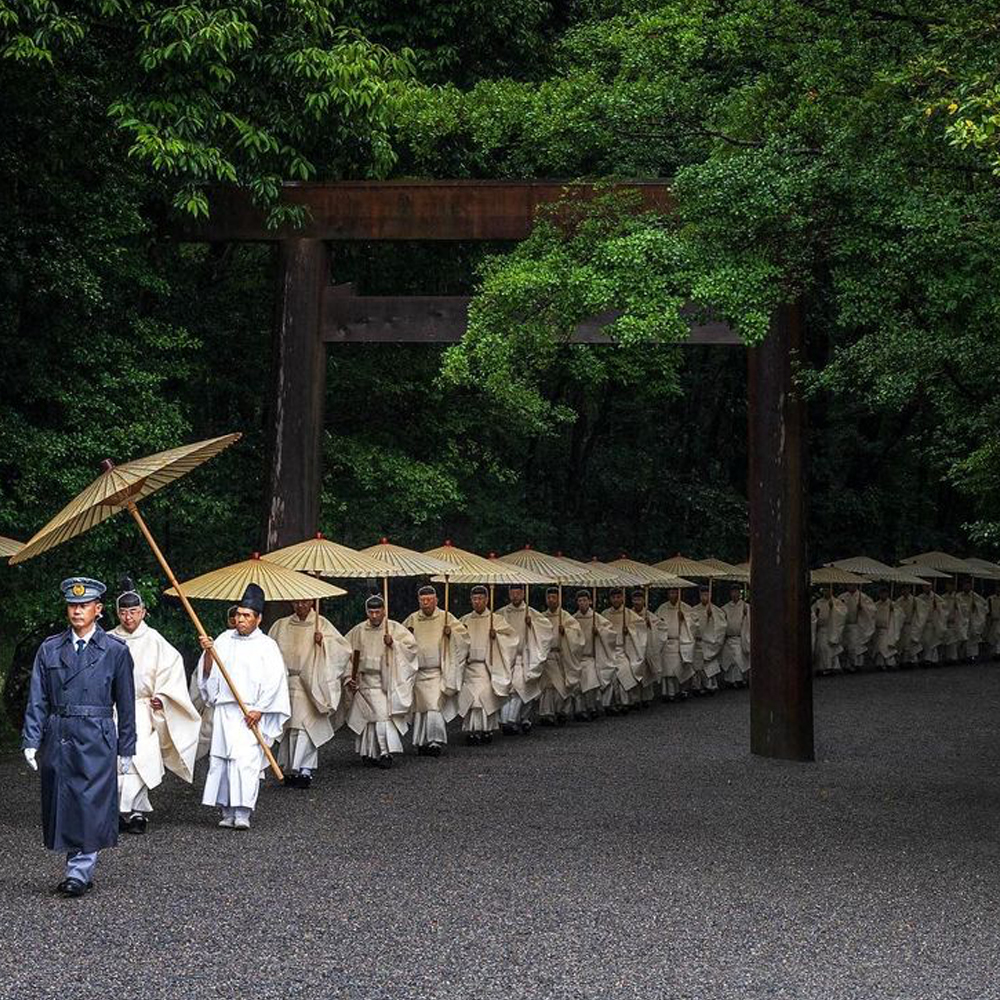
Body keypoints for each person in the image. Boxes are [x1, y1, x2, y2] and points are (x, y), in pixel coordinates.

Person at [21, 577, 136, 897]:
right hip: (60, 734)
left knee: (90, 803)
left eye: (84, 605)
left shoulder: (115, 651)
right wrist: (31, 739)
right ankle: (78, 866)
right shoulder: (49, 648)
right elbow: (37, 698)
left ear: (98, 610)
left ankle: (79, 870)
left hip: (97, 735)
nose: (77, 611)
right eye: (72, 605)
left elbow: (126, 703)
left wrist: (127, 746)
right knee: (65, 801)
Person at [195, 584, 290, 829]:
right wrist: (207, 653)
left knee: (244, 762)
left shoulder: (267, 646)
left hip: (250, 714)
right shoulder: (223, 640)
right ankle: (226, 811)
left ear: (258, 619)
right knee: (223, 761)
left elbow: (275, 680)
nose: (241, 619)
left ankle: (243, 812)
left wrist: (260, 709)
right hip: (226, 710)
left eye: (247, 616)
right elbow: (208, 676)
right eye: (238, 614)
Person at [111, 578, 200, 833]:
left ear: (143, 612)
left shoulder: (155, 640)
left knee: (141, 759)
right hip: (113, 709)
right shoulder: (107, 639)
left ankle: (138, 812)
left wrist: (162, 696)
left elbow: (172, 669)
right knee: (114, 761)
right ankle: (115, 811)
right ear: (117, 613)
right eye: (124, 612)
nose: (128, 618)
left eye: (134, 612)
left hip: (142, 708)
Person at [269, 599, 351, 788]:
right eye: (296, 602)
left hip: (311, 683)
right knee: (289, 727)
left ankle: (305, 769)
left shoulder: (321, 623)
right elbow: (269, 650)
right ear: (291, 604)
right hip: (287, 681)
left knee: (306, 727)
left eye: (304, 602)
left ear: (311, 602)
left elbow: (343, 649)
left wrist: (324, 643)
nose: (300, 606)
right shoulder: (281, 625)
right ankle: (290, 769)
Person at [345, 595, 419, 768]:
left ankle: (385, 752)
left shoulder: (394, 628)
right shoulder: (358, 630)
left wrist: (394, 644)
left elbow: (411, 649)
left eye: (378, 612)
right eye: (371, 612)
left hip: (383, 681)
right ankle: (369, 752)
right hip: (364, 680)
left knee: (382, 717)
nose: (375, 616)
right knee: (366, 719)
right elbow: (346, 653)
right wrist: (350, 677)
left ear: (384, 611)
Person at [402, 585, 469, 756]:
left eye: (429, 600)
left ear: (436, 600)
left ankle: (435, 741)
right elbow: (401, 639)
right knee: (421, 709)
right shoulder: (412, 619)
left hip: (436, 673)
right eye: (422, 600)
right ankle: (422, 741)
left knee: (433, 705)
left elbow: (465, 638)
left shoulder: (446, 618)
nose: (426, 603)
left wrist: (451, 633)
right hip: (419, 672)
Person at [458, 586, 517, 744]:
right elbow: (456, 642)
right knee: (471, 700)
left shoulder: (495, 620)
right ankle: (471, 730)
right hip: (470, 667)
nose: (477, 602)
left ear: (487, 599)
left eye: (480, 599)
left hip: (485, 666)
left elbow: (512, 638)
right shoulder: (464, 621)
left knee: (483, 699)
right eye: (474, 599)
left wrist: (497, 635)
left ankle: (486, 729)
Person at [496, 584, 553, 735]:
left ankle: (514, 719)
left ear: (523, 593)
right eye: (512, 593)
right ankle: (510, 720)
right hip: (505, 658)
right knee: (508, 689)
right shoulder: (501, 613)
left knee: (521, 688)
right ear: (509, 594)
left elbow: (546, 629)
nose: (515, 596)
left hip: (525, 657)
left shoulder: (532, 614)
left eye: (518, 592)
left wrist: (532, 625)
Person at [539, 587, 584, 725]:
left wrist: (566, 632)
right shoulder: (541, 617)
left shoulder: (565, 617)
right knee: (548, 686)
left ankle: (561, 711)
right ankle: (546, 713)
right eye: (549, 598)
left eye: (554, 597)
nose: (551, 600)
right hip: (546, 656)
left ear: (559, 598)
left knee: (561, 686)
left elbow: (578, 636)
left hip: (561, 654)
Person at [573, 591, 620, 719]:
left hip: (591, 657)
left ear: (590, 601)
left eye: (584, 600)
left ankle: (591, 707)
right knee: (578, 686)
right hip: (577, 658)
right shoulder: (573, 619)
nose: (582, 603)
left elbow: (610, 633)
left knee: (590, 682)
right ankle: (579, 709)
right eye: (580, 600)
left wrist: (599, 631)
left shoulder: (597, 618)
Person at [601, 588, 649, 713]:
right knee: (610, 677)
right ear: (610, 599)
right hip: (608, 652)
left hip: (624, 650)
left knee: (625, 673)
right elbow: (601, 630)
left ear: (622, 598)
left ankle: (625, 702)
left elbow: (641, 628)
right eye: (613, 597)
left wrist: (630, 631)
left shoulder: (629, 614)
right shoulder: (605, 614)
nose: (616, 600)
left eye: (618, 597)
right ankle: (609, 704)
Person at [654, 588, 694, 701]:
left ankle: (679, 691)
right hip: (666, 642)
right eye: (671, 592)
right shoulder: (662, 608)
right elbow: (656, 623)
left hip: (679, 642)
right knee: (667, 670)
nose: (673, 595)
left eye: (675, 592)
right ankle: (667, 693)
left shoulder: (685, 608)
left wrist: (685, 619)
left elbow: (694, 624)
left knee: (677, 669)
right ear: (667, 594)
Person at [688, 584, 726, 694]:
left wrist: (711, 617)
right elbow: (691, 625)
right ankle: (697, 686)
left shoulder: (717, 611)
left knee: (709, 665)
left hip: (710, 642)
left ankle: (710, 685)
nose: (704, 597)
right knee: (698, 665)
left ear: (710, 595)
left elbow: (721, 627)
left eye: (706, 594)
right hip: (698, 641)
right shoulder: (694, 610)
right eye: (702, 594)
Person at [631, 590, 666, 706]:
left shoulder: (650, 616)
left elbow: (661, 628)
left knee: (647, 672)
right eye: (635, 600)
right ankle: (635, 699)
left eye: (639, 600)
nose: (637, 602)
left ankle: (647, 697)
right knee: (635, 672)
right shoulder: (629, 615)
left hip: (648, 647)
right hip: (634, 647)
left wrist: (650, 626)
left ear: (644, 601)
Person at [720, 584, 751, 687]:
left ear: (740, 593)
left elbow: (749, 622)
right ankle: (730, 680)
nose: (735, 594)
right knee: (729, 661)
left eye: (737, 592)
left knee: (739, 660)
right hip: (729, 638)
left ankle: (740, 679)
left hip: (740, 638)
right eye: (733, 592)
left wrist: (747, 615)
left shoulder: (746, 607)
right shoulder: (725, 608)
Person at [840, 584, 875, 671]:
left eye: (853, 585)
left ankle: (857, 664)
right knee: (846, 646)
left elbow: (872, 610)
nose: (851, 587)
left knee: (855, 646)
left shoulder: (863, 597)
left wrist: (863, 608)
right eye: (849, 585)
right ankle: (847, 664)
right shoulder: (842, 596)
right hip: (845, 625)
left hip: (857, 625)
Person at [812, 590, 847, 675]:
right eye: (824, 590)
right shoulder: (818, 602)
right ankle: (821, 667)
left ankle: (831, 667)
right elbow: (813, 613)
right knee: (820, 648)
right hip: (821, 628)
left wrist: (833, 608)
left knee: (830, 648)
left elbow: (843, 613)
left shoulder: (837, 602)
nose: (826, 592)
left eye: (828, 590)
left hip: (832, 628)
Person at [871, 585, 902, 669]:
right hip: (878, 629)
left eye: (884, 593)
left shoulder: (893, 604)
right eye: (881, 593)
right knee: (878, 648)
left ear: (887, 594)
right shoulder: (876, 604)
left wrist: (894, 611)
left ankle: (890, 663)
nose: (883, 595)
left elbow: (900, 615)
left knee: (885, 647)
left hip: (888, 629)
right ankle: (880, 663)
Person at [894, 584, 926, 667]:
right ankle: (903, 661)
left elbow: (921, 613)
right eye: (903, 589)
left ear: (909, 590)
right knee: (902, 644)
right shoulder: (899, 601)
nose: (904, 591)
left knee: (910, 643)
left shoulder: (915, 600)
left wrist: (916, 609)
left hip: (911, 625)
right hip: (901, 625)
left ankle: (912, 661)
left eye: (906, 589)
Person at [957, 578, 988, 662]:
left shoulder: (976, 596)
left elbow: (984, 606)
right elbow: (959, 607)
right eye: (965, 585)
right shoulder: (958, 596)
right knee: (962, 639)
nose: (966, 587)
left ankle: (973, 656)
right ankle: (962, 656)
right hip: (962, 620)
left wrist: (977, 606)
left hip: (973, 621)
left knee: (973, 639)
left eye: (968, 585)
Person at [916, 583, 946, 665]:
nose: (926, 588)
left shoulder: (936, 598)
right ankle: (927, 658)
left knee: (933, 642)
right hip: (923, 623)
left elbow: (943, 608)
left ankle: (931, 659)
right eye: (924, 586)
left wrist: (937, 606)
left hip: (933, 623)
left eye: (928, 586)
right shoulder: (919, 598)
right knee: (925, 641)